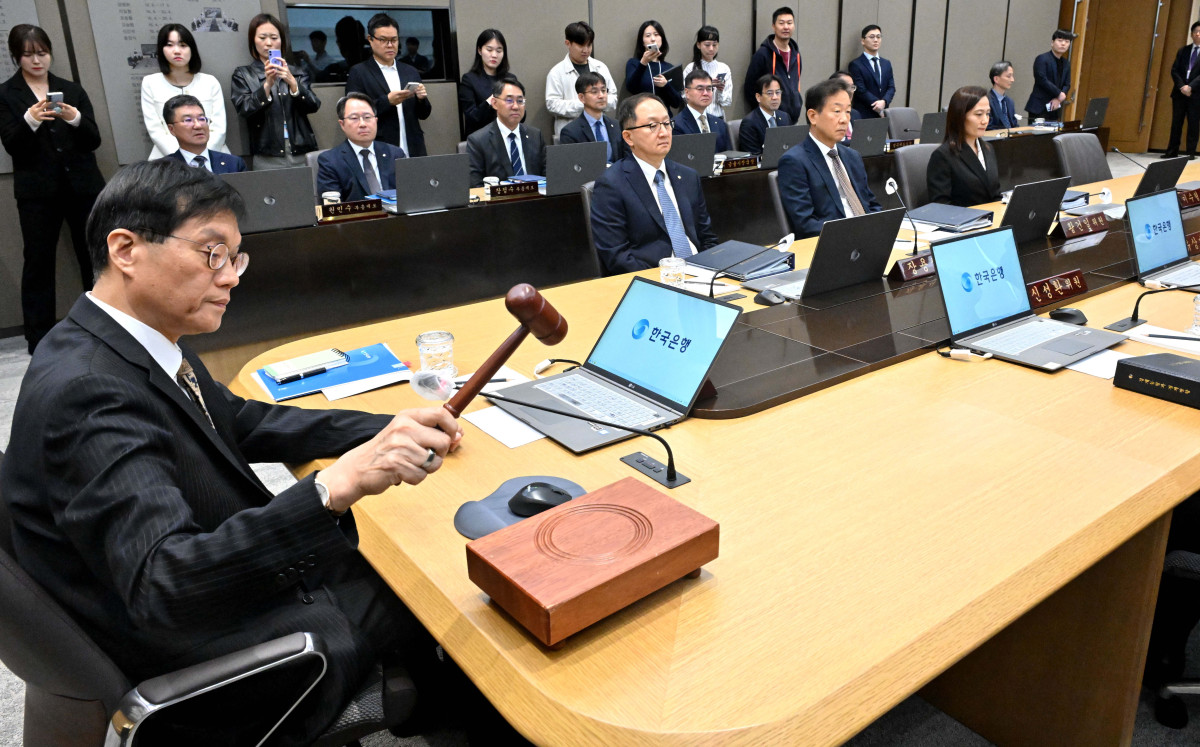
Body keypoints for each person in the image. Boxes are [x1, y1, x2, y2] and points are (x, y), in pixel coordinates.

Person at [0, 158, 465, 745]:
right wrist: (332, 488)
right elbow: (165, 583)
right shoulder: (88, 390)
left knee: (408, 560)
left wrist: (385, 428)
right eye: (211, 254)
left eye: (235, 257)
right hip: (197, 650)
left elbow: (242, 419)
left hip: (181, 596)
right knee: (441, 599)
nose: (231, 277)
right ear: (125, 249)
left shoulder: (130, 337)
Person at [0, 24, 105, 354]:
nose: (36, 60)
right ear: (16, 56)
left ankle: (105, 327)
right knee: (38, 262)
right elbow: (12, 145)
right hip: (38, 192)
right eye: (29, 54)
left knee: (94, 256)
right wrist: (30, 120)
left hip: (82, 186)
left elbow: (93, 139)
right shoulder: (6, 94)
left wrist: (74, 118)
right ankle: (38, 338)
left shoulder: (70, 89)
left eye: (42, 53)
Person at [590, 93, 717, 274]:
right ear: (628, 137)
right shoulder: (611, 184)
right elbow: (617, 257)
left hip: (701, 274)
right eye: (652, 126)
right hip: (653, 281)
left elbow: (707, 238)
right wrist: (666, 279)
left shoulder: (688, 176)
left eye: (666, 123)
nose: (664, 132)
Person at [777, 77, 881, 238]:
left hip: (868, 238)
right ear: (813, 116)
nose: (845, 119)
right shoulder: (794, 161)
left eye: (847, 111)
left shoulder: (852, 156)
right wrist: (854, 233)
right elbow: (806, 224)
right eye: (837, 111)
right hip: (832, 242)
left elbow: (871, 205)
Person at [231, 13, 321, 170]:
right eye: (262, 38)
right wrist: (267, 85)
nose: (268, 43)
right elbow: (244, 109)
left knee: (308, 193)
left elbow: (313, 105)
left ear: (282, 40)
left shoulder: (297, 72)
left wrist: (292, 82)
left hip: (301, 149)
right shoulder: (244, 74)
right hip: (268, 153)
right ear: (253, 41)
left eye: (274, 37)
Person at [346, 13, 430, 157]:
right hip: (380, 147)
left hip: (413, 146)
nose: (390, 45)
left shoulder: (409, 71)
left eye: (394, 40)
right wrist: (387, 101)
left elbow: (424, 114)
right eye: (383, 40)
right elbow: (353, 114)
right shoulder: (359, 72)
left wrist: (421, 99)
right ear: (370, 40)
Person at [140, 24, 227, 159]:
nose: (176, 51)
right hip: (168, 160)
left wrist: (201, 156)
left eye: (183, 45)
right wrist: (184, 158)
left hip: (213, 156)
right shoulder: (150, 83)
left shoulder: (210, 82)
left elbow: (219, 128)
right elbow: (156, 130)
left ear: (192, 49)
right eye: (170, 45)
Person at [317, 93, 404, 201]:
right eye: (354, 118)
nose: (362, 124)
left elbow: (409, 194)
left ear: (376, 121)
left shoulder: (395, 154)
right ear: (342, 124)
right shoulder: (330, 161)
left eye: (367, 117)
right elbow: (331, 208)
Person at [927, 85, 1001, 206]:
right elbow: (940, 206)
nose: (985, 120)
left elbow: (995, 194)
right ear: (960, 117)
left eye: (987, 114)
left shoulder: (988, 149)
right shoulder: (943, 156)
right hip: (964, 222)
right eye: (978, 114)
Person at [466, 77, 545, 187]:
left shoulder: (535, 135)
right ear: (494, 103)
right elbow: (476, 185)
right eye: (509, 100)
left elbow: (548, 176)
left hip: (536, 199)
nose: (516, 106)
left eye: (520, 101)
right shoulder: (478, 141)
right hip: (499, 202)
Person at [545, 21, 618, 137]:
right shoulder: (556, 72)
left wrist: (598, 102)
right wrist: (585, 104)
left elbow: (613, 98)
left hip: (598, 129)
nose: (586, 50)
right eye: (581, 45)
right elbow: (552, 105)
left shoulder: (600, 67)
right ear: (568, 43)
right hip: (570, 133)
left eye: (589, 45)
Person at [158, 94, 246, 173]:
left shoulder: (234, 164)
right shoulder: (163, 170)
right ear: (172, 129)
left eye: (201, 119)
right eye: (188, 120)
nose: (198, 125)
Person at [744, 7, 803, 122]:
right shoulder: (763, 54)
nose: (786, 27)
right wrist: (764, 113)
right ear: (773, 26)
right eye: (781, 23)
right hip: (769, 119)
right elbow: (750, 88)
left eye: (789, 23)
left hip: (791, 119)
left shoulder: (796, 55)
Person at [559, 71, 626, 163]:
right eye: (594, 92)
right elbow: (570, 166)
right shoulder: (571, 131)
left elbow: (626, 157)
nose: (601, 96)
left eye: (603, 90)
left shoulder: (617, 125)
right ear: (582, 97)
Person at [459, 29, 510, 137]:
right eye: (489, 50)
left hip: (507, 137)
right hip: (480, 140)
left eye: (499, 51)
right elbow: (471, 117)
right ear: (479, 50)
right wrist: (491, 100)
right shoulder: (469, 79)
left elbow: (522, 116)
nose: (494, 55)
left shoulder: (510, 79)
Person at [624, 20, 683, 110]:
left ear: (662, 39)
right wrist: (643, 63)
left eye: (656, 34)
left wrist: (666, 85)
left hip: (664, 118)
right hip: (642, 115)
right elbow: (631, 88)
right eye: (648, 35)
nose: (653, 39)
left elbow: (676, 103)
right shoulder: (634, 63)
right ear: (642, 41)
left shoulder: (669, 67)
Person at [1164, 22, 1200, 159]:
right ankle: (1171, 151)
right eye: (1195, 31)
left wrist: (1190, 87)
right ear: (1191, 34)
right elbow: (1174, 70)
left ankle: (1190, 153)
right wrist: (1182, 87)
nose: (1198, 34)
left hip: (1196, 94)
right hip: (1179, 93)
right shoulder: (1183, 50)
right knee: (1176, 123)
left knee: (1193, 123)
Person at [672, 69, 731, 151]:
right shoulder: (676, 125)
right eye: (700, 89)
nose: (705, 93)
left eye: (709, 89)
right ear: (687, 92)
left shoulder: (720, 124)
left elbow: (729, 156)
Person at [682, 26, 732, 119]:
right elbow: (685, 96)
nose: (711, 49)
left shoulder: (724, 68)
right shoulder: (691, 68)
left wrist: (720, 91)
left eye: (715, 45)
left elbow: (727, 102)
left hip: (718, 117)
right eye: (707, 45)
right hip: (696, 118)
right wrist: (706, 86)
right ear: (698, 45)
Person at [1025, 29, 1075, 122]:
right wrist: (1059, 94)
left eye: (1067, 41)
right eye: (1060, 40)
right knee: (1037, 135)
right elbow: (1041, 79)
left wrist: (1059, 98)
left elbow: (1067, 84)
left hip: (1054, 107)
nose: (1063, 44)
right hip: (1039, 106)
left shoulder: (1066, 63)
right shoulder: (1042, 59)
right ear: (1052, 43)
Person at [737, 73, 792, 154]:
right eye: (770, 93)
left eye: (778, 92)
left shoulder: (785, 117)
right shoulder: (749, 123)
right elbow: (753, 156)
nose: (775, 97)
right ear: (758, 97)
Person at [847, 25, 893, 119]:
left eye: (878, 37)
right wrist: (878, 105)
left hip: (883, 113)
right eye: (872, 37)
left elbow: (891, 87)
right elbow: (860, 89)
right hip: (864, 113)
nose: (876, 40)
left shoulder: (886, 63)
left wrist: (884, 102)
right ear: (863, 41)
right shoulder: (856, 64)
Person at [987, 61, 1018, 130]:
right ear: (996, 79)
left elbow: (1015, 125)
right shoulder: (987, 100)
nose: (1012, 80)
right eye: (1008, 76)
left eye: (1012, 76)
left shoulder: (1010, 102)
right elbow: (988, 127)